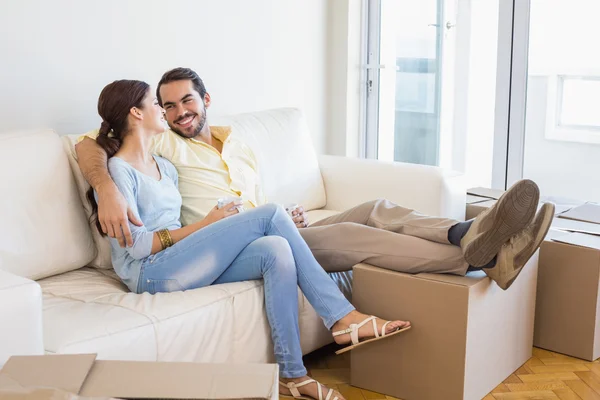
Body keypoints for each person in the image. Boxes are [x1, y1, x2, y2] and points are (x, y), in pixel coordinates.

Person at [76, 67, 554, 294]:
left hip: (278, 221)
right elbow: (89, 143)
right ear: (156, 112)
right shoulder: (162, 144)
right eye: (169, 104)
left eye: (187, 101)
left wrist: (288, 211)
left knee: (374, 207)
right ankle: (478, 257)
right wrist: (104, 186)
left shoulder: (236, 140)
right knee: (352, 234)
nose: (179, 112)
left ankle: (466, 232)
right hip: (235, 243)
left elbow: (255, 199)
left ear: (206, 98)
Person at [89, 79, 412, 400]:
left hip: (179, 260)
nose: (164, 110)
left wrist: (213, 224)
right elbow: (138, 245)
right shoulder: (119, 172)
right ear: (136, 113)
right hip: (149, 272)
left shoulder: (164, 166)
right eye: (157, 103)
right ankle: (342, 317)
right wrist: (205, 225)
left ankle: (292, 375)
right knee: (270, 215)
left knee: (275, 249)